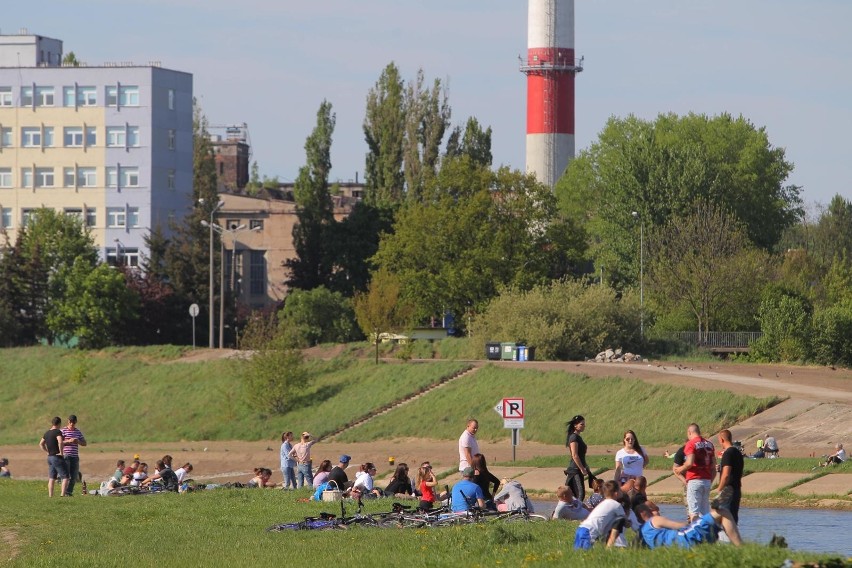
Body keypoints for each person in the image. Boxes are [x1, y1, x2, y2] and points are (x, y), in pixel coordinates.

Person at [635, 500, 742, 548]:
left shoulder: (641, 533)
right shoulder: (654, 520)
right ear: (648, 512)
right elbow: (681, 526)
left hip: (678, 546)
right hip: (685, 538)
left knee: (713, 528)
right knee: (723, 513)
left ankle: (714, 517)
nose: (658, 511)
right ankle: (741, 548)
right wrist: (692, 521)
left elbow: (633, 547)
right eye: (655, 508)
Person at [674, 423, 715, 521]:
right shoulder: (709, 444)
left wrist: (680, 469)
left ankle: (695, 534)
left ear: (689, 432)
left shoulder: (691, 444)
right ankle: (706, 534)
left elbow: (689, 463)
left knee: (694, 513)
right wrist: (710, 480)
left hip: (694, 479)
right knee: (705, 512)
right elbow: (713, 465)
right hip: (707, 480)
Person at [573, 480, 626, 550]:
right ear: (616, 493)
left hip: (581, 528)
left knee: (579, 555)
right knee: (585, 556)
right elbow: (621, 522)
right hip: (589, 532)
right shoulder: (616, 505)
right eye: (620, 490)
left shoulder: (603, 503)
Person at [715, 429, 744, 523]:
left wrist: (719, 488)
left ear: (722, 439)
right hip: (737, 489)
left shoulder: (727, 453)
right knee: (733, 518)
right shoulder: (738, 453)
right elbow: (735, 470)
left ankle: (724, 537)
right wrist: (721, 468)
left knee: (723, 518)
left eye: (719, 440)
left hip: (728, 490)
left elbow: (726, 475)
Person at [39, 416, 69, 497]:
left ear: (52, 423)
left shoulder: (47, 433)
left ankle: (50, 495)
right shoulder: (57, 432)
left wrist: (47, 451)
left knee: (52, 477)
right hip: (57, 457)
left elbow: (41, 444)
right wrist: (61, 452)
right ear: (59, 423)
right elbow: (60, 441)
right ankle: (62, 495)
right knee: (65, 477)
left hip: (50, 457)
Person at [565, 414, 591, 503]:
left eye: (584, 424)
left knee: (575, 493)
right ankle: (577, 512)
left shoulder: (578, 437)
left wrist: (586, 466)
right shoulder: (574, 437)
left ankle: (573, 511)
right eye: (582, 424)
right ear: (575, 425)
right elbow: (575, 455)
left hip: (579, 468)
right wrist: (582, 469)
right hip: (575, 469)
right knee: (580, 493)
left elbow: (581, 455)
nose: (584, 426)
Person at [61, 414, 87, 496]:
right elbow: (59, 443)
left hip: (75, 456)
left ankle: (69, 492)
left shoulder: (77, 431)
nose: (72, 424)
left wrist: (78, 441)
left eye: (74, 422)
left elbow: (84, 443)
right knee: (66, 476)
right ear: (68, 421)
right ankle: (64, 492)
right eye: (70, 422)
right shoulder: (63, 431)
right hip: (66, 455)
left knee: (74, 476)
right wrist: (68, 441)